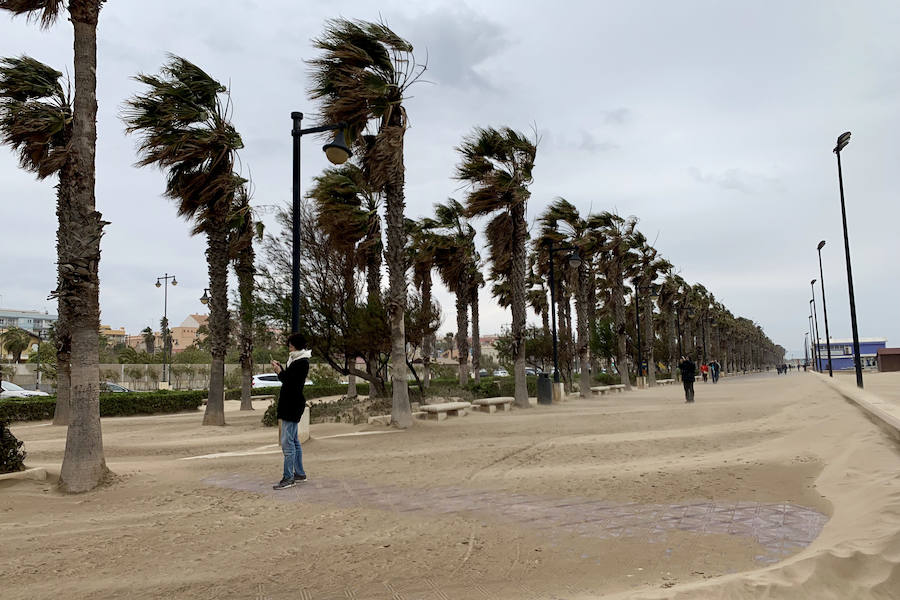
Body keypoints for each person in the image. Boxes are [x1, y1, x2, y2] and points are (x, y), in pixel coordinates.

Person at [271, 332, 311, 490]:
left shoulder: (300, 362)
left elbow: (289, 382)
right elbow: (289, 378)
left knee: (287, 442)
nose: (289, 347)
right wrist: (281, 369)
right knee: (294, 440)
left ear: (295, 345)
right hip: (293, 404)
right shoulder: (297, 360)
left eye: (290, 344)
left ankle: (288, 477)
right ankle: (299, 473)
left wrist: (279, 372)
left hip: (291, 405)